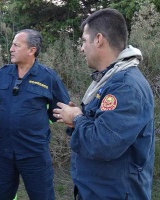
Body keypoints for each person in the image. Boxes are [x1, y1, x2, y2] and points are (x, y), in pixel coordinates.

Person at [53, 8, 155, 200]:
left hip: (114, 193)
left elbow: (103, 144)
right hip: (98, 190)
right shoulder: (110, 80)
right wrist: (78, 120)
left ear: (98, 39)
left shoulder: (125, 87)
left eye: (84, 40)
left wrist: (76, 118)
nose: (82, 48)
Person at [0, 29, 70, 200]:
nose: (11, 48)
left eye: (16, 45)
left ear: (31, 50)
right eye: (12, 44)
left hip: (34, 153)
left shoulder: (48, 77)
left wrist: (34, 125)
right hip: (3, 152)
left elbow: (61, 109)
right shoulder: (2, 74)